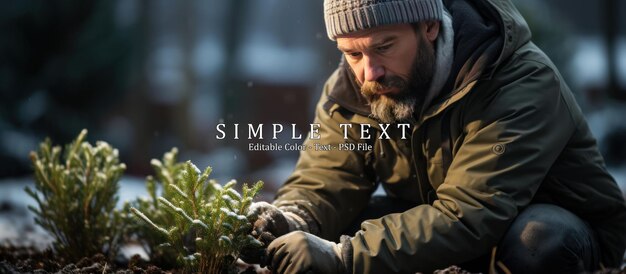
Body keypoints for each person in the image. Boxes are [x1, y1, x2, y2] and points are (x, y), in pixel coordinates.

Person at [245, 0, 626, 273]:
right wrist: (296, 219)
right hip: (445, 230)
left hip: (548, 235)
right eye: (352, 54)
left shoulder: (518, 81)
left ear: (429, 26)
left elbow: (468, 216)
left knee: (539, 240)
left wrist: (344, 258)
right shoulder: (354, 87)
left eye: (384, 46)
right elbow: (329, 179)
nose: (368, 73)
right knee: (339, 225)